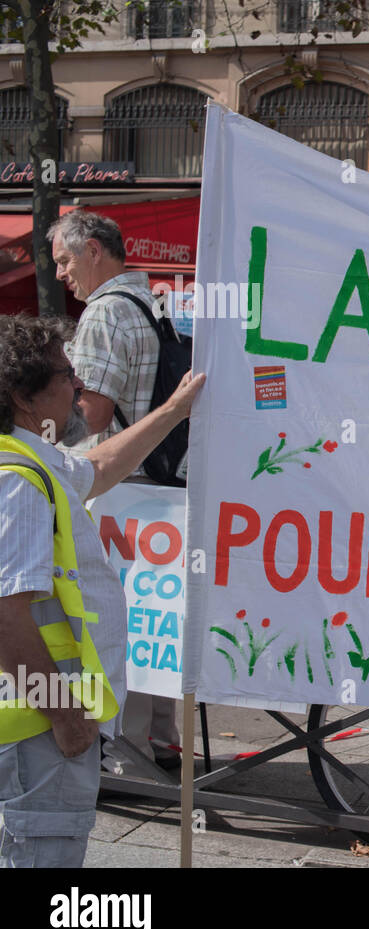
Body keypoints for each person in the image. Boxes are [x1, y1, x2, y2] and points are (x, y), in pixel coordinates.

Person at [0, 313, 204, 866]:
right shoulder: (17, 482)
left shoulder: (33, 461)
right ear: (24, 396)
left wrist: (173, 411)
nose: (81, 387)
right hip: (37, 730)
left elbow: (97, 466)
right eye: (69, 376)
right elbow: (6, 619)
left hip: (36, 727)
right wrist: (66, 718)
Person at [49, 208, 182, 771]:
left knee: (112, 615)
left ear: (93, 251)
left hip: (113, 483)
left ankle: (121, 752)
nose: (61, 275)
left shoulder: (104, 312)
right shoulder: (156, 302)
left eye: (64, 260)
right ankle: (161, 740)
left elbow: (92, 410)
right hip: (158, 484)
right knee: (157, 618)